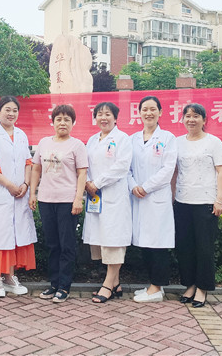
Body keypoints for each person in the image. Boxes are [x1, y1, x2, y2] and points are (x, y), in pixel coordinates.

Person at [0, 96, 36, 297]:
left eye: (14, 110)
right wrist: (10, 185)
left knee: (15, 236)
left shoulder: (21, 135)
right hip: (0, 193)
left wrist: (25, 184)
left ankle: (10, 278)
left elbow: (28, 162)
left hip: (20, 193)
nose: (11, 114)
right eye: (7, 110)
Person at [29, 104, 88, 303]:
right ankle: (53, 284)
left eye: (67, 120)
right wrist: (33, 193)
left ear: (73, 123)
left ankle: (64, 287)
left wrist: (78, 198)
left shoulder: (77, 145)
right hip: (46, 200)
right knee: (52, 245)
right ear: (53, 122)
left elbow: (82, 173)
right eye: (59, 119)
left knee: (67, 245)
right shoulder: (44, 143)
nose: (63, 123)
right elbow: (36, 169)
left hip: (67, 201)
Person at [172, 103, 222, 308]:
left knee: (204, 248)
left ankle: (202, 289)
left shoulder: (213, 142)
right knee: (184, 247)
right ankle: (190, 285)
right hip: (182, 201)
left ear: (204, 120)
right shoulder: (177, 142)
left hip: (205, 202)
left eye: (196, 116)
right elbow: (174, 172)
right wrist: (172, 197)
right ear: (182, 119)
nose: (191, 120)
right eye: (187, 116)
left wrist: (219, 200)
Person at [81, 102, 132, 304]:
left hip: (113, 196)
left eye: (108, 114)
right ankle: (116, 283)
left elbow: (122, 167)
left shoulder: (123, 139)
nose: (103, 117)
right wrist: (87, 183)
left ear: (116, 118)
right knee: (101, 239)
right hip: (95, 197)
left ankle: (108, 285)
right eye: (100, 114)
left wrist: (97, 183)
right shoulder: (92, 140)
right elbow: (85, 164)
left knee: (113, 240)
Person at [129, 96, 177, 303]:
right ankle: (153, 285)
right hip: (138, 197)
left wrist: (146, 187)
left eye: (153, 109)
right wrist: (133, 186)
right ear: (139, 113)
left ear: (160, 112)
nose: (148, 113)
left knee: (158, 244)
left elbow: (168, 170)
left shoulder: (168, 138)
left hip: (156, 197)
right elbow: (126, 168)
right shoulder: (132, 139)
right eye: (144, 109)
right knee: (145, 243)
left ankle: (157, 288)